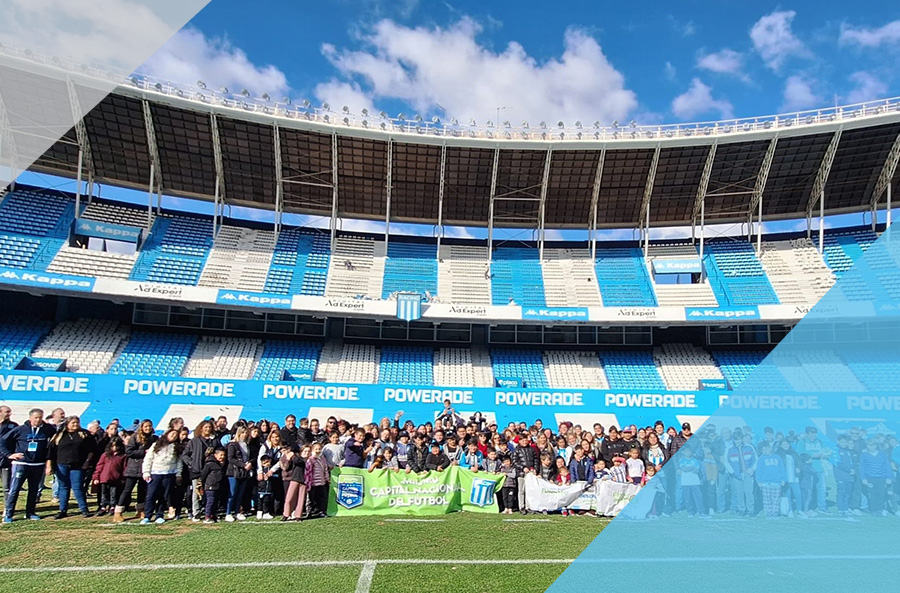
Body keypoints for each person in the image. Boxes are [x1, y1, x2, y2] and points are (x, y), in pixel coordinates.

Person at [0, 408, 56, 522]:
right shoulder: (20, 429)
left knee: (33, 490)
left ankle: (30, 513)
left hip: (38, 464)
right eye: (36, 417)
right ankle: (9, 514)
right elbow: (2, 441)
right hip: (21, 463)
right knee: (14, 490)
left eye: (40, 417)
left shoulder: (47, 429)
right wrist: (9, 454)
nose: (38, 420)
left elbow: (58, 435)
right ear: (30, 417)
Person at [48, 416, 94, 519]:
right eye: (73, 423)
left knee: (78, 487)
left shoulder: (84, 434)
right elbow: (51, 451)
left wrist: (87, 462)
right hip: (61, 464)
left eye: (77, 423)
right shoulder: (59, 435)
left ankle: (84, 509)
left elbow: (91, 450)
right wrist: (49, 465)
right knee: (63, 487)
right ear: (67, 424)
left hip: (77, 465)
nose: (75, 425)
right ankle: (63, 510)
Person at [114, 419, 158, 523]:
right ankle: (118, 511)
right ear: (142, 427)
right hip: (134, 468)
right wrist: (143, 452)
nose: (148, 428)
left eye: (150, 426)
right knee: (127, 490)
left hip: (146, 468)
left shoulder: (154, 438)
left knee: (142, 490)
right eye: (146, 426)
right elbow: (129, 451)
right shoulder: (135, 437)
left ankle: (140, 510)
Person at [141, 428, 184, 525]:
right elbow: (148, 459)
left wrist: (178, 474)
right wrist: (146, 472)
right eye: (172, 434)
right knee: (151, 495)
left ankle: (159, 515)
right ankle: (147, 515)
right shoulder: (156, 445)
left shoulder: (176, 447)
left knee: (164, 495)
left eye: (176, 435)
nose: (173, 436)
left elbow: (179, 462)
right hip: (155, 473)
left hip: (169, 474)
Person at [182, 420, 215, 522]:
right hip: (197, 470)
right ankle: (196, 512)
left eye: (209, 427)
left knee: (209, 492)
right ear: (201, 428)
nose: (208, 429)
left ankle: (208, 511)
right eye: (205, 427)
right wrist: (191, 463)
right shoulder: (194, 441)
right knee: (196, 492)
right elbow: (185, 455)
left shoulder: (214, 440)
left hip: (210, 470)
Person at [92, 438, 127, 517]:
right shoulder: (105, 455)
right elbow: (99, 466)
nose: (114, 448)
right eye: (112, 446)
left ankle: (112, 507)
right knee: (104, 493)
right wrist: (96, 477)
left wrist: (123, 478)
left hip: (115, 479)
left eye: (116, 446)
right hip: (104, 478)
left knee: (113, 494)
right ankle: (103, 507)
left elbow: (124, 468)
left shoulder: (123, 456)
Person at [225, 426, 253, 522]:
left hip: (244, 472)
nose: (245, 435)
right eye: (243, 433)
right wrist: (242, 464)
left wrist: (250, 463)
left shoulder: (247, 444)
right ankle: (228, 513)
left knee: (240, 493)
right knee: (232, 493)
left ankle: (237, 511)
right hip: (234, 472)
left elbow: (251, 456)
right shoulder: (233, 444)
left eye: (246, 433)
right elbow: (230, 458)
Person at [859, 438, 893, 516]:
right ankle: (873, 510)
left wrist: (889, 477)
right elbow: (862, 467)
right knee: (872, 494)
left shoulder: (882, 454)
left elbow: (887, 466)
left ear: (876, 445)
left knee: (881, 494)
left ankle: (879, 510)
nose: (871, 447)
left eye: (873, 445)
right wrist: (863, 478)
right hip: (870, 478)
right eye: (869, 445)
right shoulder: (864, 455)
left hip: (882, 477)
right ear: (867, 446)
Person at [755, 441, 786, 519]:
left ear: (770, 448)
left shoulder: (777, 457)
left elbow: (782, 468)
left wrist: (783, 479)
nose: (766, 451)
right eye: (764, 450)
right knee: (767, 499)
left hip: (776, 482)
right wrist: (759, 481)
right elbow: (759, 470)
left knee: (775, 499)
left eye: (767, 449)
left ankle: (775, 513)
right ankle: (768, 513)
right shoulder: (761, 459)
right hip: (765, 482)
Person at [282, 444, 308, 521]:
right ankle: (286, 514)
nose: (306, 453)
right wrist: (290, 456)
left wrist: (292, 456)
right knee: (289, 498)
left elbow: (298, 461)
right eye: (305, 451)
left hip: (304, 481)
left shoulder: (308, 460)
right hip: (295, 479)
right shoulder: (298, 458)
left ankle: (298, 515)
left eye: (308, 451)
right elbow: (295, 462)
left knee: (301, 499)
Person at [200, 448, 226, 523]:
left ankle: (213, 515)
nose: (222, 457)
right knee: (210, 501)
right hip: (210, 485)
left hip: (217, 485)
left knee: (215, 501)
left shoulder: (220, 464)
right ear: (215, 455)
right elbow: (203, 474)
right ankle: (207, 516)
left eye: (224, 455)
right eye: (221, 455)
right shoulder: (210, 463)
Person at [305, 442, 330, 518]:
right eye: (316, 449)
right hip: (313, 483)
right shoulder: (310, 459)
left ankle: (322, 511)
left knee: (322, 497)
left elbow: (325, 469)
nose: (318, 450)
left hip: (321, 482)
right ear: (312, 449)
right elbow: (308, 472)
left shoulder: (322, 459)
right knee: (311, 498)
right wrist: (308, 481)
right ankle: (309, 512)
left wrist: (327, 479)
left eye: (319, 449)